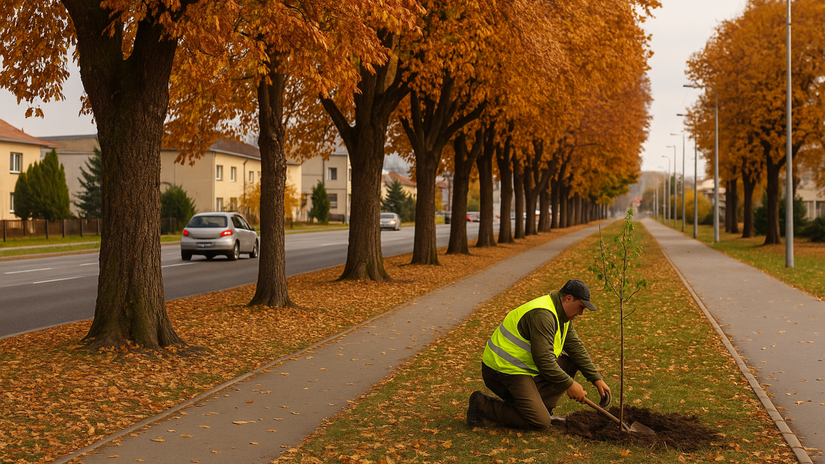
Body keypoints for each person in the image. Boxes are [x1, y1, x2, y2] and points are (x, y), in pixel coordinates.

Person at [466, 279, 611, 431]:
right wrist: (570, 384)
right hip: (503, 370)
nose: (581, 313)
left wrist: (596, 378)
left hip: (523, 367)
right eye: (581, 307)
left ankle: (537, 408)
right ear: (569, 298)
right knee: (540, 422)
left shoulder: (561, 316)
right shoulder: (543, 315)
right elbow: (544, 361)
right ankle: (482, 404)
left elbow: (576, 348)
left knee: (570, 363)